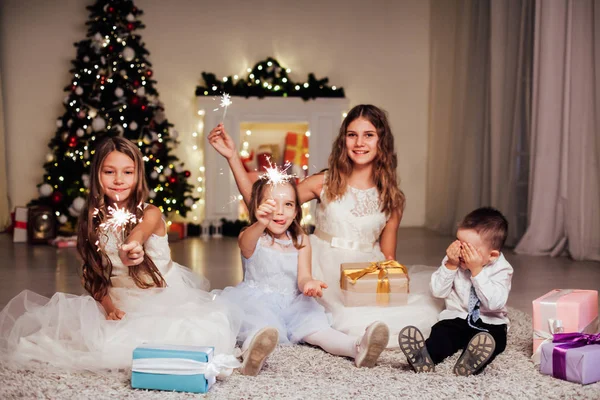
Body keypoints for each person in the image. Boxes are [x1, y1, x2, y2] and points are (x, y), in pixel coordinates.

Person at [208, 104, 443, 346]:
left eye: (369, 135)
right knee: (339, 319)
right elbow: (265, 205)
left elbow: (389, 256)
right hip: (322, 266)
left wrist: (386, 288)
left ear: (382, 141)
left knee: (404, 314)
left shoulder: (393, 198)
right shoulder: (324, 182)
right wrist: (233, 158)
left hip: (362, 271)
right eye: (352, 135)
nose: (359, 142)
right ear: (344, 141)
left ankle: (365, 339)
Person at [0, 137, 240, 370]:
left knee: (181, 338)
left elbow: (141, 231)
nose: (118, 180)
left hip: (160, 298)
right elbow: (92, 275)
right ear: (97, 175)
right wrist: (108, 307)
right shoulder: (90, 221)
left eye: (128, 172)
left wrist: (133, 246)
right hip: (118, 300)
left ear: (138, 176)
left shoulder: (151, 213)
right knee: (82, 344)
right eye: (109, 171)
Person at [217, 177, 390, 376]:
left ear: (297, 210)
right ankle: (251, 356)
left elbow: (303, 276)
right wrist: (260, 223)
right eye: (272, 204)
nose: (280, 211)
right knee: (259, 327)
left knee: (318, 329)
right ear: (258, 207)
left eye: (288, 204)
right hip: (257, 301)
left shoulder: (300, 240)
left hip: (293, 303)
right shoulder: (252, 236)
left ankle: (357, 347)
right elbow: (245, 245)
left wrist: (309, 283)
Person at [398, 207, 512, 376]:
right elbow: (438, 291)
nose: (460, 252)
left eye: (469, 249)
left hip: (489, 321)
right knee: (442, 334)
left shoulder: (502, 269)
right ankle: (424, 356)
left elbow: (495, 303)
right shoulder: (453, 260)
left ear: (492, 255)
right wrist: (450, 266)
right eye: (459, 243)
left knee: (495, 340)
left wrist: (477, 271)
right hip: (457, 316)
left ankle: (471, 361)